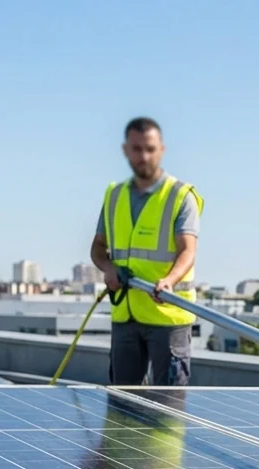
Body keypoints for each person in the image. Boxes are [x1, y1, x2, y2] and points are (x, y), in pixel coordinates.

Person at [91, 116, 203, 386]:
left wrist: (169, 281)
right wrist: (109, 269)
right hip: (126, 315)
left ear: (161, 150)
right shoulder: (114, 195)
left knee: (167, 407)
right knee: (123, 404)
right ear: (125, 150)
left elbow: (188, 250)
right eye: (137, 149)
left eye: (150, 149)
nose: (144, 156)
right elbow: (98, 248)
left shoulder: (180, 195)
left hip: (167, 314)